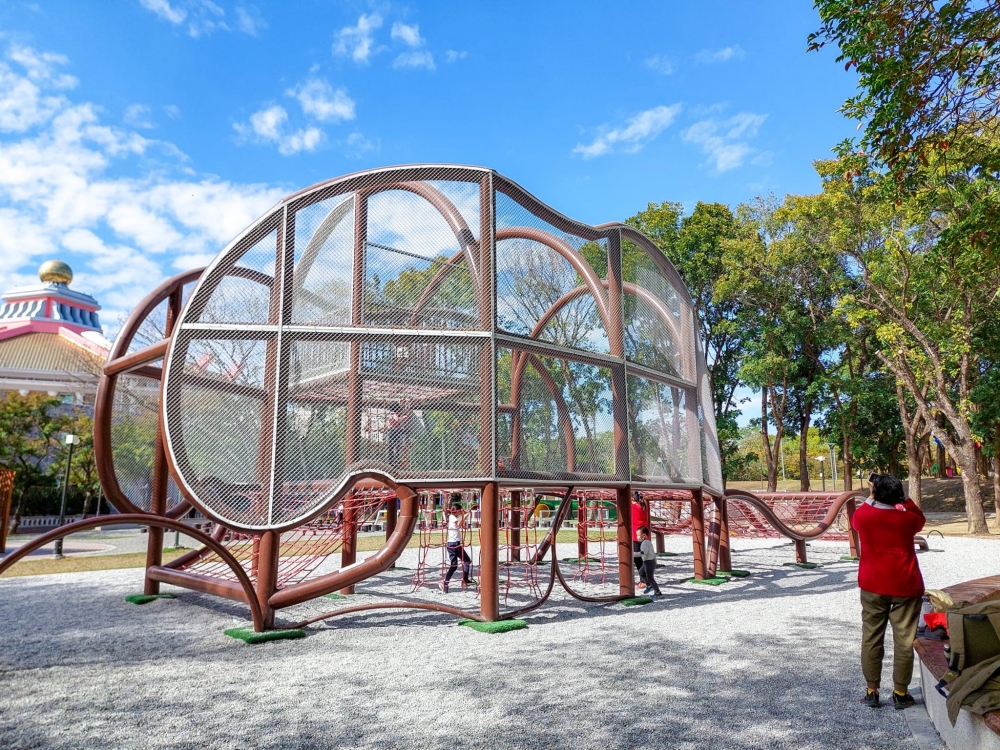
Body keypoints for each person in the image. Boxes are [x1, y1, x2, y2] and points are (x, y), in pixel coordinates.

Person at [852, 473, 926, 710]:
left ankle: (872, 690)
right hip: (906, 584)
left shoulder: (863, 516)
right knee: (904, 641)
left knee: (871, 637)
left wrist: (873, 492)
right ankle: (901, 693)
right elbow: (919, 517)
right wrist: (902, 499)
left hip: (873, 585)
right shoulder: (907, 520)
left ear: (874, 492)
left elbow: (867, 504)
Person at [442, 495, 473, 593]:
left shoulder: (452, 517)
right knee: (467, 561)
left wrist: (465, 514)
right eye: (459, 511)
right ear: (457, 511)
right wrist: (465, 515)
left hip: (451, 544)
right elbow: (459, 523)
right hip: (454, 544)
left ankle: (445, 583)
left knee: (454, 565)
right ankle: (465, 580)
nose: (460, 513)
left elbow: (459, 522)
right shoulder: (451, 517)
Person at [631, 492, 650, 587]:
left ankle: (644, 580)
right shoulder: (643, 505)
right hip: (644, 533)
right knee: (642, 557)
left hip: (636, 534)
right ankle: (644, 579)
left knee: (638, 558)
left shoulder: (632, 506)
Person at [637, 526, 661, 600]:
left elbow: (643, 553)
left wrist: (633, 554)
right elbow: (653, 553)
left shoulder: (645, 543)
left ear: (644, 535)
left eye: (638, 535)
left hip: (649, 562)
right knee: (641, 572)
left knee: (650, 578)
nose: (637, 537)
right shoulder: (646, 542)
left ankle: (658, 593)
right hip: (647, 561)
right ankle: (648, 585)